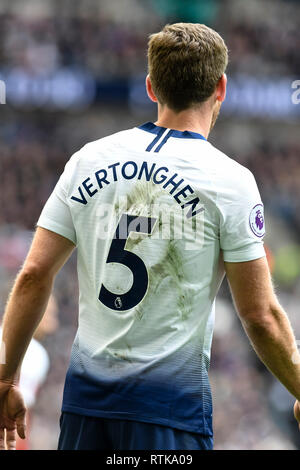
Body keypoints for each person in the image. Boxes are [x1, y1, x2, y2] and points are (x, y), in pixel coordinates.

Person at [0, 22, 299, 451]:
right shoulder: (230, 181)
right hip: (169, 415)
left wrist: (5, 378)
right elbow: (259, 316)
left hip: (86, 410)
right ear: (221, 88)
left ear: (150, 86)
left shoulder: (88, 160)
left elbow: (33, 274)